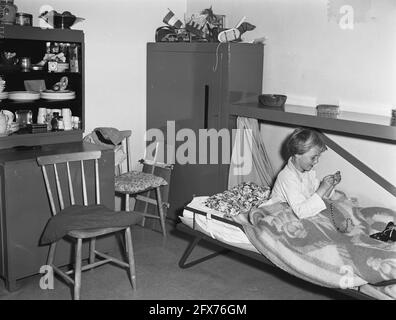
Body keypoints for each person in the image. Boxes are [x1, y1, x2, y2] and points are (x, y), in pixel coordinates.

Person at [271, 127, 341, 219]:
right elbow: (301, 212)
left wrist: (330, 186)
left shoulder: (308, 172)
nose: (316, 161)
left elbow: (317, 195)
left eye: (318, 157)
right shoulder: (287, 177)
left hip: (303, 211)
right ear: (297, 154)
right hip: (282, 213)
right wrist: (322, 189)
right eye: (313, 157)